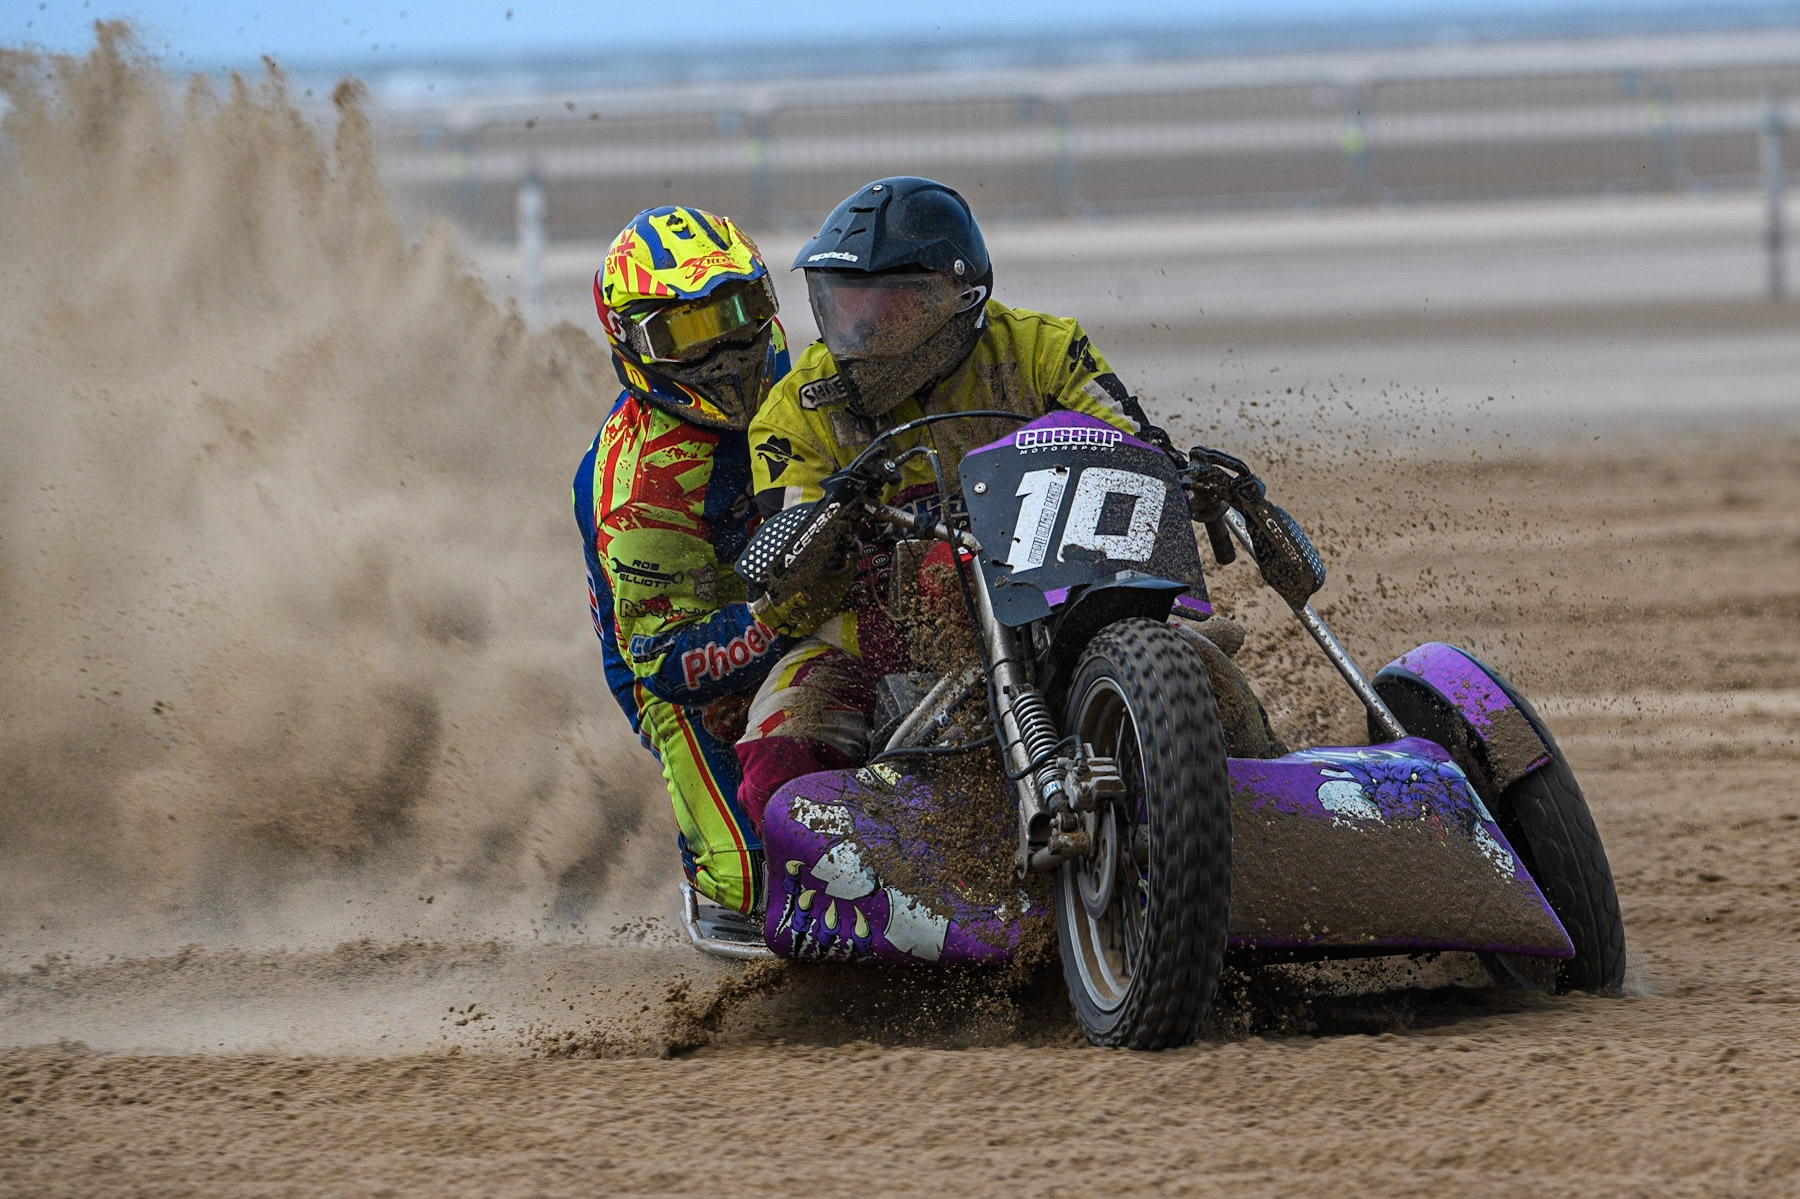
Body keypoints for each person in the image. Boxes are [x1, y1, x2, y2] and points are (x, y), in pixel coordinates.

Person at [734, 176, 1183, 818]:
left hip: (1054, 608)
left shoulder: (1042, 349)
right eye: (844, 306)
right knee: (780, 742)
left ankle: (1261, 835)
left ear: (959, 299)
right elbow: (787, 579)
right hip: (869, 638)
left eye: (889, 308)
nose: (860, 331)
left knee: (1210, 681)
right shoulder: (797, 408)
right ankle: (794, 901)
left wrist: (1177, 473)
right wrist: (825, 532)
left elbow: (1130, 447)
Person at [574, 204, 800, 917]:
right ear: (633, 343)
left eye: (738, 310)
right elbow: (667, 660)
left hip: (800, 580)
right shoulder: (641, 483)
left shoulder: (785, 357)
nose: (728, 349)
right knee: (753, 883)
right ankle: (708, 864)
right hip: (680, 655)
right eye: (688, 334)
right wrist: (793, 615)